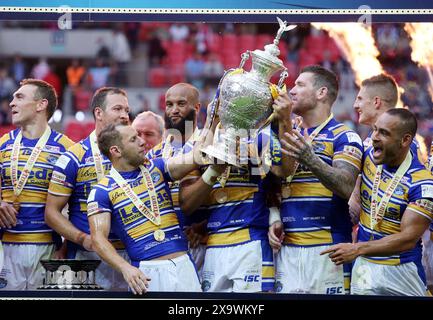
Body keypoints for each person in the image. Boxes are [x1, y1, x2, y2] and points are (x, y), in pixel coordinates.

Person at [179, 87, 293, 293]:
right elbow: (187, 204)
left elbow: (284, 171)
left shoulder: (260, 138)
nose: (231, 106)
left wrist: (284, 122)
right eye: (225, 101)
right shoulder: (196, 147)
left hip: (251, 242)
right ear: (214, 106)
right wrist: (214, 169)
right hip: (214, 245)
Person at [271, 65, 363, 294]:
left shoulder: (344, 136)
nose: (292, 91)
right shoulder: (287, 133)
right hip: (287, 250)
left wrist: (310, 159)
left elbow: (344, 186)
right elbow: (274, 180)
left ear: (321, 93)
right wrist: (274, 214)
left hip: (328, 249)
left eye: (300, 85)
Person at [322, 109, 433, 296]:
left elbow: (407, 239)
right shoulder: (366, 155)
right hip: (365, 267)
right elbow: (341, 178)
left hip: (402, 270)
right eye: (375, 130)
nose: (374, 137)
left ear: (405, 140)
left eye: (384, 133)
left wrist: (357, 248)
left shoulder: (423, 183)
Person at [87, 123, 203, 294]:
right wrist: (125, 268)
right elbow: (98, 240)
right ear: (116, 151)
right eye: (134, 139)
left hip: (184, 263)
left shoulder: (158, 167)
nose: (142, 142)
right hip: (146, 272)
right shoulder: (101, 192)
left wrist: (211, 118)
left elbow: (196, 157)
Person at [45, 87, 130, 291]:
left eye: (127, 110)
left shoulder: (135, 156)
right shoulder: (74, 157)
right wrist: (83, 239)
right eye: (117, 108)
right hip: (86, 257)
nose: (125, 115)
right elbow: (51, 213)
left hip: (129, 254)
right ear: (98, 113)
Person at [0, 79, 74, 290]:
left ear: (41, 105)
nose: (11, 103)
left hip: (50, 249)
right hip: (6, 249)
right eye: (13, 97)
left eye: (19, 97)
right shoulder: (3, 144)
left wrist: (68, 246)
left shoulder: (66, 148)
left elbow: (79, 204)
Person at [146, 83, 209, 279]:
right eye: (169, 104)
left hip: (204, 244)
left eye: (181, 104)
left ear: (196, 108)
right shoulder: (154, 153)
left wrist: (205, 225)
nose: (174, 110)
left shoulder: (210, 148)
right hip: (167, 247)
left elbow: (225, 195)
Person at [349, 74, 424, 225]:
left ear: (376, 102)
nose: (355, 105)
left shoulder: (407, 147)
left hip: (395, 243)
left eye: (360, 99)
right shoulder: (369, 142)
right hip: (367, 241)